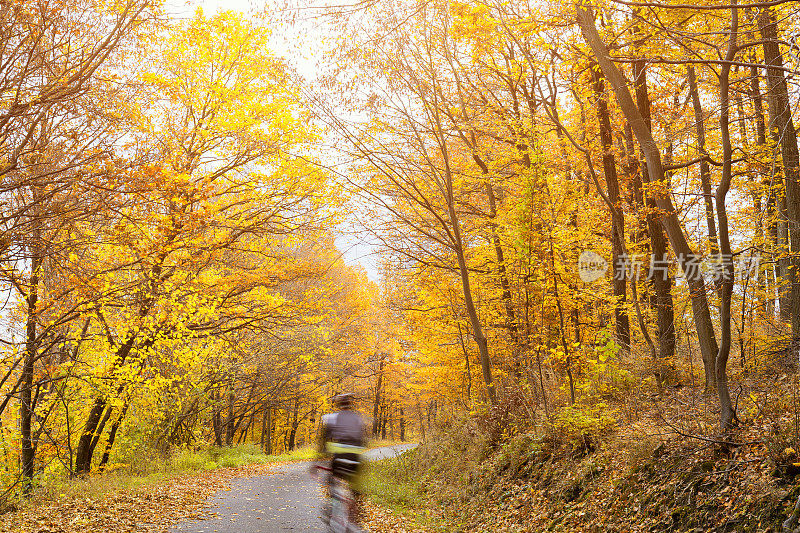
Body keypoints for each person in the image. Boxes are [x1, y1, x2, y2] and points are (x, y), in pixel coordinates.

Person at [315, 393, 367, 525]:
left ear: (338, 405)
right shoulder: (358, 418)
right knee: (355, 486)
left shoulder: (331, 418)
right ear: (350, 405)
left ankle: (332, 505)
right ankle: (356, 511)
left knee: (332, 480)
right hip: (355, 458)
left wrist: (317, 461)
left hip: (339, 458)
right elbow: (363, 440)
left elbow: (324, 442)